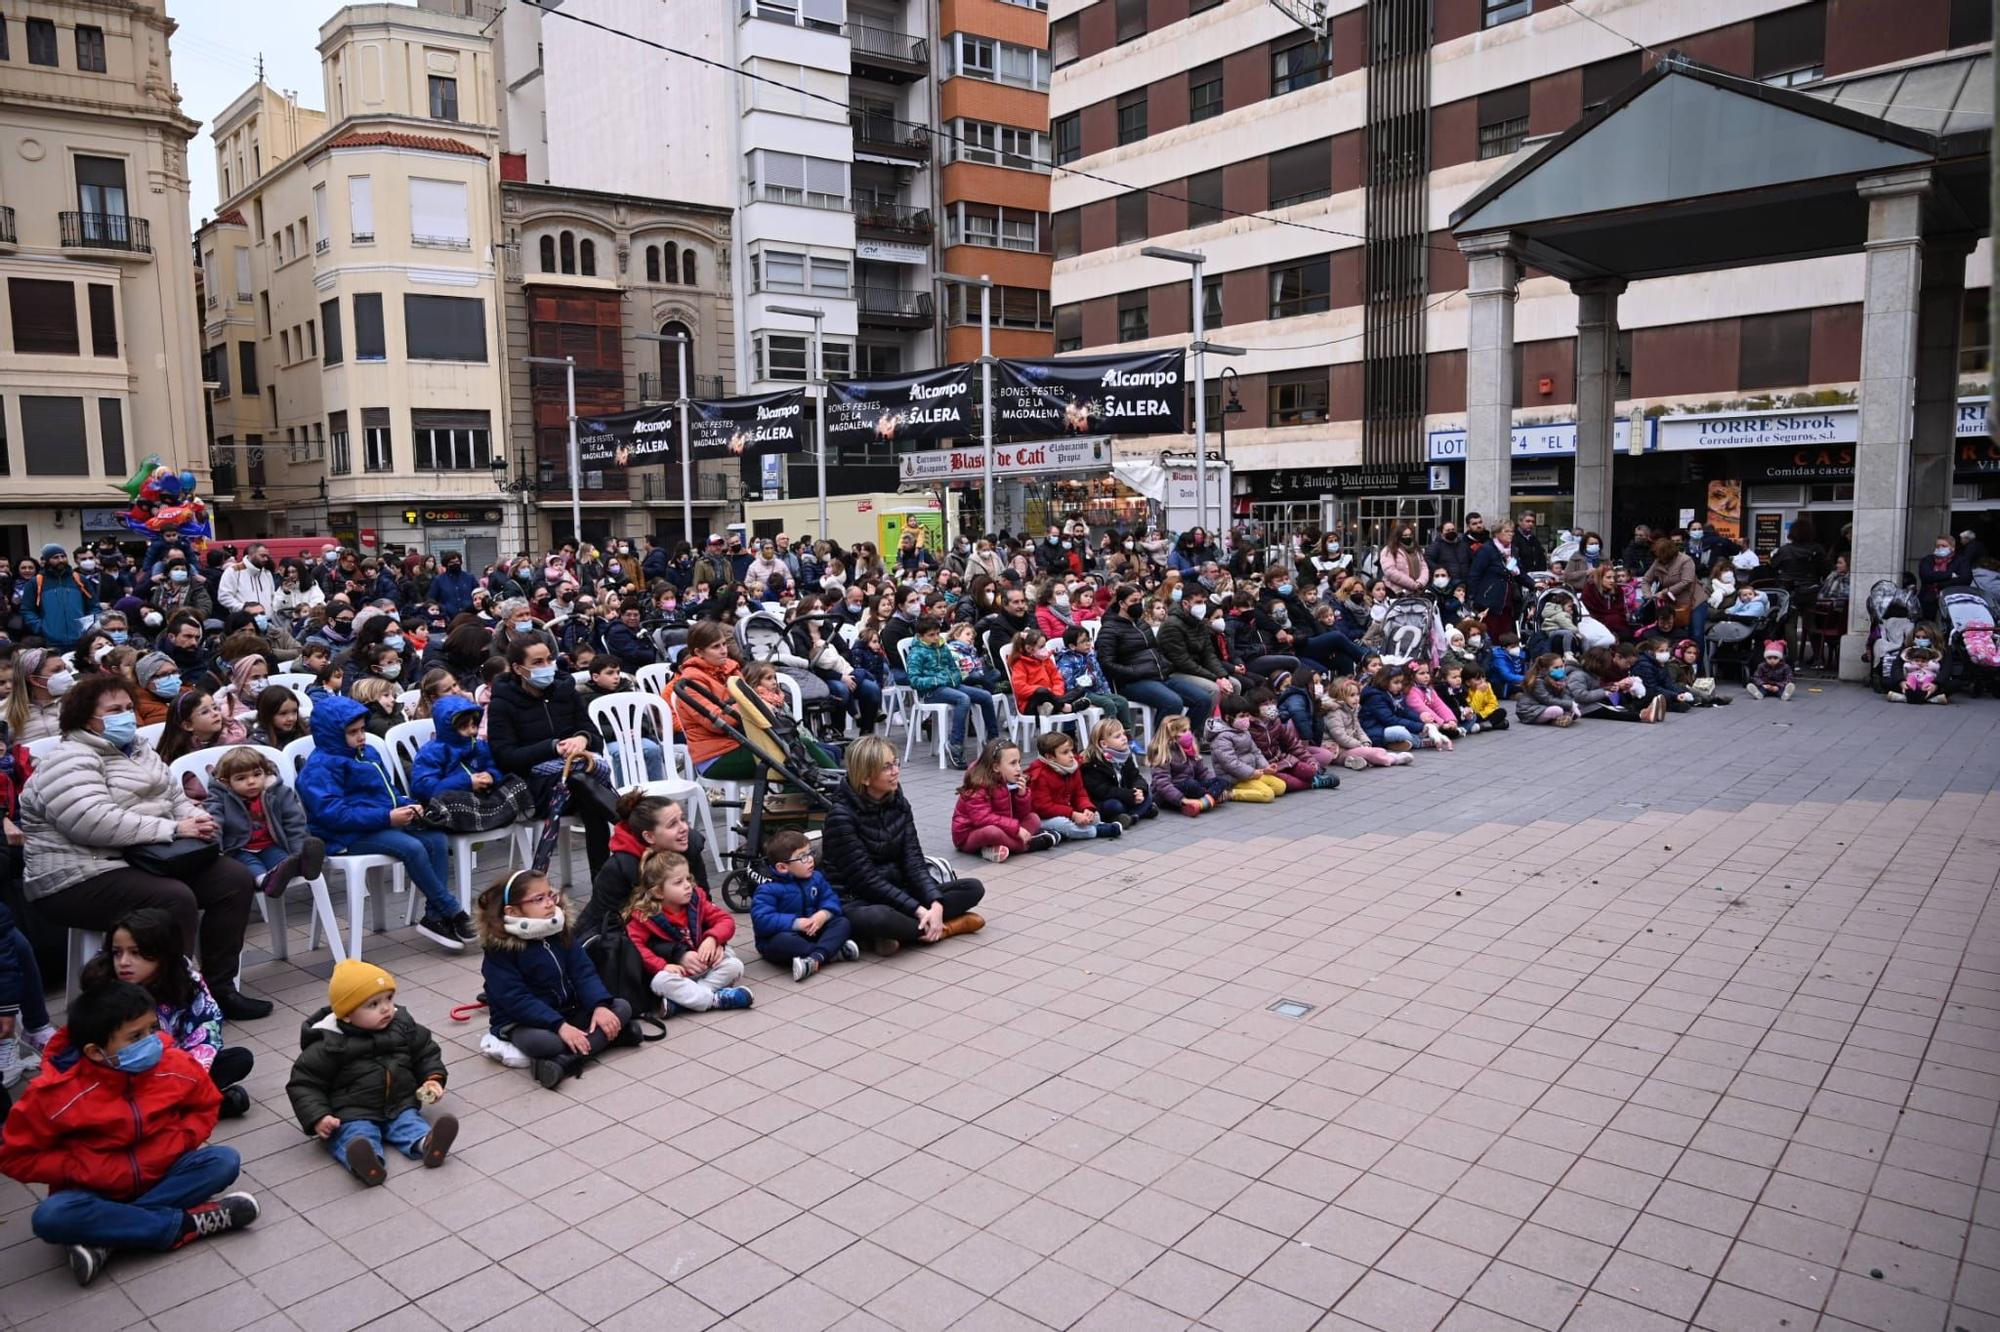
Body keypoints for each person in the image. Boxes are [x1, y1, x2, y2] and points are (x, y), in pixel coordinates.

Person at [20, 674, 271, 1019]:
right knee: (171, 899)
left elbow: (172, 796)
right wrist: (172, 828)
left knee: (233, 878)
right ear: (84, 718)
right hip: (78, 872)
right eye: (113, 710)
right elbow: (94, 821)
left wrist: (194, 820)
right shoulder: (69, 759)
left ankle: (219, 989)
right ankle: (173, 1007)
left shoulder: (138, 749)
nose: (125, 716)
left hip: (142, 858)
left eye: (128, 708)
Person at [0, 980, 260, 1286]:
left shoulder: (173, 1063)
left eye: (151, 1028)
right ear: (96, 1052)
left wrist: (180, 1140)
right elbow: (14, 1156)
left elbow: (206, 1105)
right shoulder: (53, 1094)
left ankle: (109, 1237)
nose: (152, 1041)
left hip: (163, 1175)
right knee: (50, 1217)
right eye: (135, 1037)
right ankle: (185, 1224)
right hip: (95, 1190)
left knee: (224, 1161)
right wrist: (78, 1167)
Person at [296, 693, 473, 949]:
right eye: (353, 732)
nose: (361, 736)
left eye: (362, 730)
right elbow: (332, 813)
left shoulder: (365, 753)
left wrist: (406, 805)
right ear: (333, 734)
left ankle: (435, 917)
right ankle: (452, 910)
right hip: (343, 836)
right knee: (410, 847)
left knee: (435, 838)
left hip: (376, 824)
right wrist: (387, 817)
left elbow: (386, 792)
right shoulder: (320, 767)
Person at [64, 909, 254, 1119]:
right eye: (117, 952)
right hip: (119, 1075)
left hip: (174, 1070)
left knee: (239, 1059)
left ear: (163, 954)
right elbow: (89, 1050)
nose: (124, 961)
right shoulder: (103, 987)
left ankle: (171, 1108)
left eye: (136, 953)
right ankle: (196, 1107)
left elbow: (206, 1030)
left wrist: (181, 1071)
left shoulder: (186, 981)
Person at [285, 960, 455, 1186]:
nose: (386, 1008)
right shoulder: (330, 1044)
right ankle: (366, 1162)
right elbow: (305, 1083)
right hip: (353, 1112)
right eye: (373, 1004)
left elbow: (425, 1052)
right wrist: (318, 1116)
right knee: (357, 1135)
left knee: (410, 1124)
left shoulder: (402, 1026)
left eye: (389, 998)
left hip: (399, 1104)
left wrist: (432, 1079)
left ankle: (427, 1144)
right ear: (346, 1015)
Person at [822, 736, 984, 953]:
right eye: (886, 767)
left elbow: (914, 860)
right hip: (858, 899)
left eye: (895, 763)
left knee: (972, 888)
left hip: (899, 890)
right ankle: (947, 928)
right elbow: (866, 880)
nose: (895, 771)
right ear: (866, 777)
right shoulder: (840, 816)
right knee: (880, 918)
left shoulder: (898, 801)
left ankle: (903, 934)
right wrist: (917, 909)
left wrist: (934, 903)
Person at [477, 869, 633, 1087]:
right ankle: (611, 1038)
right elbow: (517, 1000)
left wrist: (599, 1005)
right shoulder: (500, 952)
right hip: (523, 1022)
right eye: (539, 899)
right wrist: (558, 1025)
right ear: (513, 910)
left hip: (567, 1010)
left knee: (621, 1007)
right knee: (546, 1043)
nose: (550, 903)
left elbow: (583, 972)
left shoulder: (559, 931)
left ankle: (564, 1061)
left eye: (551, 895)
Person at [486, 634, 614, 877]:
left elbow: (596, 738)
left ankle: (604, 886)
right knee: (586, 785)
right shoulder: (503, 703)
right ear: (517, 668)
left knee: (587, 790)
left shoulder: (565, 692)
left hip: (577, 780)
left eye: (549, 660)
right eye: (537, 663)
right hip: (534, 787)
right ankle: (634, 829)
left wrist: (582, 738)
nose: (547, 667)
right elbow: (505, 757)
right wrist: (552, 747)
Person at [624, 849, 751, 1013]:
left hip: (702, 964)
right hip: (676, 972)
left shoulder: (696, 899)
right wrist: (662, 966)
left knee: (734, 965)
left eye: (688, 878)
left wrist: (713, 939)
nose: (687, 886)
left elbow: (725, 921)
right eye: (678, 882)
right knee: (659, 982)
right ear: (658, 892)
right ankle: (715, 999)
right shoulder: (644, 915)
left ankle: (683, 1001)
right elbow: (635, 947)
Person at [205, 746, 323, 899]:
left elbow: (294, 823)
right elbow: (214, 823)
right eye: (241, 778)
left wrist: (297, 851)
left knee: (285, 863)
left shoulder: (278, 792)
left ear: (266, 773)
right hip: (238, 849)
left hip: (270, 845)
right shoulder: (219, 798)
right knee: (252, 867)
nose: (251, 782)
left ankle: (304, 863)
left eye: (257, 774)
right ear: (227, 782)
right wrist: (217, 854)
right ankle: (267, 883)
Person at [751, 828, 861, 981]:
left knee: (842, 923)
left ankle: (814, 959)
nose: (810, 859)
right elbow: (762, 920)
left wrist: (823, 914)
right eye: (802, 857)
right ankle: (829, 953)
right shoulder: (768, 889)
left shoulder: (816, 877)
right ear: (782, 867)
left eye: (810, 853)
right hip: (781, 937)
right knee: (785, 941)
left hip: (813, 931)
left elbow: (831, 899)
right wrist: (796, 923)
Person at [907, 614, 998, 770]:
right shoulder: (917, 653)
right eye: (931, 635)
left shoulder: (942, 647)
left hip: (951, 685)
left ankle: (992, 741)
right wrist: (937, 680)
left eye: (937, 633)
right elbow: (914, 680)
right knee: (963, 699)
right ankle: (955, 744)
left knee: (985, 696)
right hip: (932, 691)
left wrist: (954, 678)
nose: (936, 638)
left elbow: (954, 668)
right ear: (921, 636)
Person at [951, 739, 1054, 862]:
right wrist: (1016, 829)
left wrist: (1022, 795)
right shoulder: (977, 784)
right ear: (996, 767)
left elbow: (1021, 815)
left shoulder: (1009, 780)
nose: (1018, 768)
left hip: (1003, 826)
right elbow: (983, 819)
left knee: (1033, 818)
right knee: (992, 832)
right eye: (1013, 763)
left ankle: (997, 848)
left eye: (1019, 763)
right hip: (970, 835)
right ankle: (1025, 846)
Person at [1026, 731, 1122, 841]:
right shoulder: (1039, 775)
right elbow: (1044, 807)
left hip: (1067, 811)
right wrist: (1072, 814)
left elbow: (1080, 793)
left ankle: (1067, 833)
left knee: (1095, 816)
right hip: (1044, 817)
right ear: (1050, 757)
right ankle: (1096, 831)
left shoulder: (1072, 767)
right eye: (1065, 752)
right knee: (1063, 824)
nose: (1071, 755)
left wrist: (1086, 808)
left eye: (1071, 750)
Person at [1204, 695, 1293, 801]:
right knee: (1267, 794)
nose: (1246, 719)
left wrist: (1265, 767)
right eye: (1241, 716)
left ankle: (1251, 787)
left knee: (1280, 786)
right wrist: (1251, 773)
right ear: (1228, 718)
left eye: (1247, 715)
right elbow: (1231, 764)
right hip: (1234, 779)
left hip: (1250, 774)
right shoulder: (1221, 738)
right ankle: (1229, 794)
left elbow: (1255, 751)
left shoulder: (1243, 730)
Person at [1245, 685, 1337, 786]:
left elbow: (1293, 744)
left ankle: (1314, 778)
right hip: (1267, 767)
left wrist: (1311, 761)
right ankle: (1314, 783)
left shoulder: (1276, 722)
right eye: (1266, 704)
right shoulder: (1248, 727)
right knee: (1289, 783)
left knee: (1309, 771)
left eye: (1272, 703)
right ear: (1254, 707)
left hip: (1283, 759)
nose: (1271, 706)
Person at [1146, 713, 1229, 815]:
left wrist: (1216, 785)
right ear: (1172, 734)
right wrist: (1182, 799)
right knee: (1191, 784)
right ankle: (1207, 800)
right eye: (1184, 731)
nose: (1189, 733)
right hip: (1168, 795)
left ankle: (1202, 802)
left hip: (1192, 787)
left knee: (1222, 781)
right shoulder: (1162, 752)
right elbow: (1163, 784)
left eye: (1189, 730)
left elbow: (1202, 773)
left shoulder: (1189, 748)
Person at [1322, 677, 1412, 768]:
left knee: (1366, 752)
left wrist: (1365, 741)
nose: (1356, 698)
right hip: (1337, 750)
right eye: (1352, 695)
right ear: (1340, 696)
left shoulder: (1352, 710)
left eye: (1357, 694)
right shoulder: (1334, 713)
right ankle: (1393, 759)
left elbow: (1358, 729)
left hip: (1349, 746)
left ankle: (1353, 762)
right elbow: (1340, 736)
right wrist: (1359, 744)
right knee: (1368, 753)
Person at [1081, 718, 1155, 827]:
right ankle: (1140, 812)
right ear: (1104, 744)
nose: (1124, 738)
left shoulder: (1124, 756)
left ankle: (1131, 817)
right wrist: (1128, 795)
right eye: (1117, 736)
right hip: (1103, 801)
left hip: (1125, 796)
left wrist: (1139, 790)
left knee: (1148, 795)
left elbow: (1136, 776)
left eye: (1123, 734)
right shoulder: (1093, 762)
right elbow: (1102, 790)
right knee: (1116, 806)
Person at [1468, 521, 1534, 639]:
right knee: (1491, 632)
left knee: (1507, 632)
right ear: (1496, 534)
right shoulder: (1487, 550)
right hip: (1489, 598)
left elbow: (1519, 573)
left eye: (1512, 531)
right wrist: (1472, 598)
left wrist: (1534, 584)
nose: (1511, 534)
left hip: (1509, 599)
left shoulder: (1513, 551)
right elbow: (1475, 574)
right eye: (1506, 531)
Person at [22, 543, 95, 650]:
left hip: (80, 641)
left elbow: (94, 606)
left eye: (63, 556)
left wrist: (88, 626)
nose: (61, 560)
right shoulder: (35, 583)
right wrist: (41, 628)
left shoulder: (80, 579)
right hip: (51, 642)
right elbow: (27, 610)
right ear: (46, 560)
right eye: (55, 557)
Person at [1008, 627, 1093, 718]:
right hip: (1031, 704)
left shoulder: (1046, 660)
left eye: (1044, 645)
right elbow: (1020, 688)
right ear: (1029, 649)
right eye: (1041, 647)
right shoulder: (1020, 664)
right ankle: (1068, 708)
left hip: (1053, 699)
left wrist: (1055, 694)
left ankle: (1056, 706)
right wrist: (1045, 691)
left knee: (1080, 689)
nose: (1045, 648)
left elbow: (1057, 679)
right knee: (1041, 692)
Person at [5, 646, 69, 742]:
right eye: (56, 670)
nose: (65, 674)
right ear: (34, 680)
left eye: (65, 668)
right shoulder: (6, 714)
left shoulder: (78, 701)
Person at [1515, 654, 1582, 726]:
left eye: (1562, 666)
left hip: (1545, 706)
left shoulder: (1561, 678)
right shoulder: (1538, 681)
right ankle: (1555, 720)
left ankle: (1559, 718)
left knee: (1572, 710)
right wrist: (1570, 704)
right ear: (1544, 669)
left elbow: (1566, 694)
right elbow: (1547, 700)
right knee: (1557, 710)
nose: (1560, 669)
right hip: (1529, 710)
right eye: (1556, 668)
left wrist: (1571, 704)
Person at [248, 685, 309, 750]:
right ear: (267, 715)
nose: (291, 718)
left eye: (294, 711)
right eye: (283, 713)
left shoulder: (307, 728)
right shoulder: (258, 743)